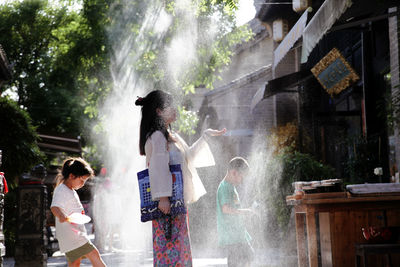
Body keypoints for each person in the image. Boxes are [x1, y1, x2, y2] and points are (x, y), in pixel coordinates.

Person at [135, 90, 226, 267]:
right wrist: (163, 198)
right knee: (171, 252)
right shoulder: (158, 137)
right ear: (159, 111)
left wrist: (205, 135)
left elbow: (188, 157)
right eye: (170, 105)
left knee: (176, 251)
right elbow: (158, 168)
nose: (175, 109)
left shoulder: (170, 136)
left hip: (175, 203)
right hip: (167, 205)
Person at [50, 158, 107, 267]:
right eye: (81, 180)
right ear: (71, 176)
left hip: (73, 234)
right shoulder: (62, 190)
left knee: (75, 263)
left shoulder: (69, 190)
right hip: (73, 235)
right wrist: (62, 216)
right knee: (94, 255)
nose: (82, 184)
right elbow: (54, 207)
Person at [216, 157, 254, 267]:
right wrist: (244, 212)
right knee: (241, 259)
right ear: (234, 172)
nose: (242, 180)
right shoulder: (224, 187)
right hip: (231, 236)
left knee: (248, 256)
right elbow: (225, 209)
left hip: (237, 234)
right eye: (242, 177)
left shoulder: (231, 187)